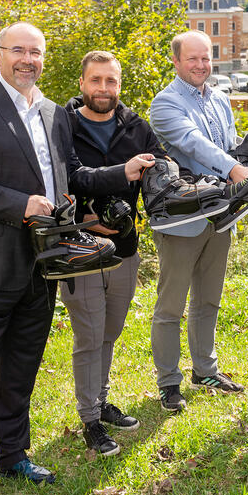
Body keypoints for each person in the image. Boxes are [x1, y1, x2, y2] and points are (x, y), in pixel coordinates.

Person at [0, 23, 153, 495]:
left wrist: (124, 171)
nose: (27, 59)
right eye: (18, 50)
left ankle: (13, 457)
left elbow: (72, 175)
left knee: (21, 370)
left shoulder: (55, 113)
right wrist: (21, 205)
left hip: (43, 265)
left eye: (35, 51)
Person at [146, 30, 248, 412]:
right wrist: (234, 168)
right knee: (170, 305)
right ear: (177, 62)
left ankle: (205, 370)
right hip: (183, 219)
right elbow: (194, 143)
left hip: (220, 214)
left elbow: (228, 145)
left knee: (208, 298)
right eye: (192, 59)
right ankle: (168, 382)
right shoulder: (165, 104)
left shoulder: (219, 98)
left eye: (206, 58)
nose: (200, 65)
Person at [62, 50, 166, 457]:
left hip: (125, 248)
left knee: (110, 331)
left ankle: (101, 401)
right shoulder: (63, 125)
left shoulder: (136, 127)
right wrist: (86, 216)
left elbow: (162, 170)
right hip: (79, 249)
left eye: (111, 81)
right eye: (96, 80)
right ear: (83, 83)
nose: (103, 89)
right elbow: (66, 175)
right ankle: (89, 419)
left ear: (119, 85)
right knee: (89, 334)